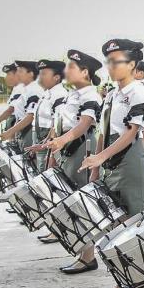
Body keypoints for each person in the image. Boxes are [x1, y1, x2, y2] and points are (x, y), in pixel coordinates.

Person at [79, 39, 144, 288]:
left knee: (130, 226)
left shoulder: (138, 92)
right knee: (113, 225)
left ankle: (131, 283)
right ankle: (123, 280)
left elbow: (132, 132)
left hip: (130, 162)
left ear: (132, 65)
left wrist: (101, 157)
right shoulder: (111, 94)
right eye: (108, 62)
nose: (110, 66)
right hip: (110, 161)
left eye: (116, 61)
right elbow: (104, 131)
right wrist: (97, 166)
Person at [40, 50, 103, 269]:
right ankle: (83, 253)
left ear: (85, 72)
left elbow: (85, 123)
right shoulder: (71, 95)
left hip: (81, 149)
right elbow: (60, 125)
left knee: (82, 202)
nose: (67, 71)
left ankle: (89, 256)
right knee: (70, 200)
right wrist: (53, 151)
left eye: (72, 67)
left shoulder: (90, 95)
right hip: (66, 150)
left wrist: (61, 142)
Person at [26, 60, 68, 171]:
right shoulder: (46, 94)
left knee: (46, 177)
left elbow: (57, 125)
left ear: (57, 77)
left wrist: (47, 150)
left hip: (49, 144)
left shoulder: (60, 94)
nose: (40, 77)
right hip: (40, 142)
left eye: (44, 74)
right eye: (40, 73)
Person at [0, 61, 44, 150]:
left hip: (29, 130)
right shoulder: (25, 90)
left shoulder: (34, 90)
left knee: (29, 160)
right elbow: (19, 115)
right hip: (22, 131)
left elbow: (31, 116)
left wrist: (10, 132)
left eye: (20, 71)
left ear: (31, 74)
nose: (17, 74)